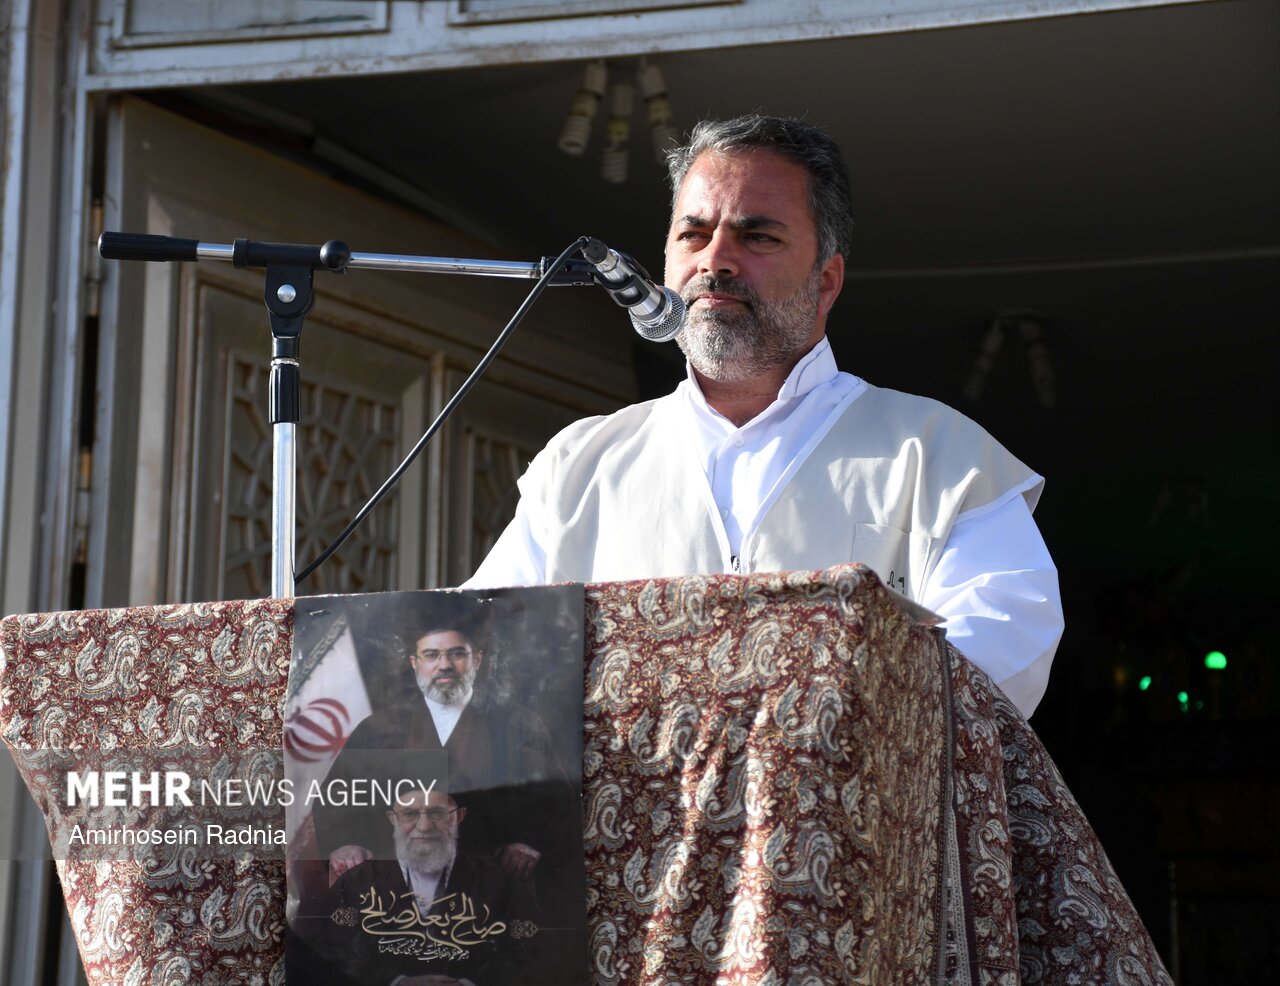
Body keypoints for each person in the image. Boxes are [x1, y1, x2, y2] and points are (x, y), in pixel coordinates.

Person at [466, 114, 1063, 717]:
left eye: (757, 237)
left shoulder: (939, 454)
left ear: (826, 281)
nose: (716, 260)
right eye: (694, 233)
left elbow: (1005, 639)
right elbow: (475, 652)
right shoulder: (580, 465)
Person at [312, 610, 575, 884]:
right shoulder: (380, 728)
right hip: (396, 888)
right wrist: (345, 844)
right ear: (414, 663)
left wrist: (529, 843)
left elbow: (555, 800)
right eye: (431, 655)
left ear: (477, 659)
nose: (444, 665)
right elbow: (339, 796)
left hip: (492, 885)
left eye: (457, 654)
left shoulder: (518, 725)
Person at [299, 788, 542, 986]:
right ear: (392, 819)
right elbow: (333, 952)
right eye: (410, 814)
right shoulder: (358, 882)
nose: (424, 826)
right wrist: (396, 982)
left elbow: (529, 950)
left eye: (439, 813)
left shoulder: (497, 881)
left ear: (459, 817)